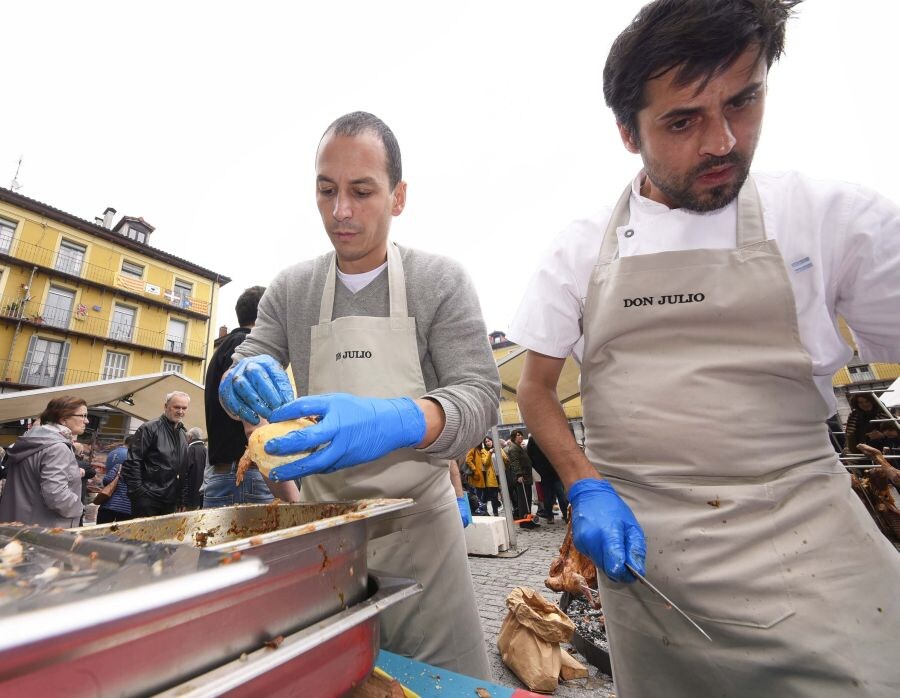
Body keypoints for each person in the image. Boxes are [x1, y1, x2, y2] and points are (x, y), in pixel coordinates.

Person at [509, 1, 900, 695]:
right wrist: (582, 481)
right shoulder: (579, 250)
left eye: (743, 102)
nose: (722, 141)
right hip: (650, 571)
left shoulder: (830, 221)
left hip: (811, 557)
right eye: (683, 121)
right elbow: (535, 389)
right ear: (629, 133)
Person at [219, 111, 499, 680]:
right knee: (339, 680)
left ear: (397, 197)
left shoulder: (438, 281)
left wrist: (394, 420)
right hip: (329, 535)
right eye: (327, 191)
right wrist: (239, 379)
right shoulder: (291, 288)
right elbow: (252, 358)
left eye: (361, 191)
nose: (340, 211)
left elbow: (480, 395)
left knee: (436, 682)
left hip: (423, 533)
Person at [203, 286, 278, 509]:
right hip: (247, 476)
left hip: (223, 476)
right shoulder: (248, 348)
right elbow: (254, 426)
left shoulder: (224, 349)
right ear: (267, 312)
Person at [0, 396, 86, 528]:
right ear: (63, 419)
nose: (87, 420)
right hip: (45, 528)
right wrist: (79, 507)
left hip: (18, 522)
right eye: (83, 415)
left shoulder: (31, 440)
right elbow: (55, 494)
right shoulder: (57, 448)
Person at [121, 391, 190, 517]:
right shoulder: (149, 428)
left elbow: (183, 469)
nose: (180, 411)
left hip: (170, 502)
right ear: (166, 406)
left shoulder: (182, 434)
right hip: (148, 500)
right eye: (176, 407)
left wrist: (181, 499)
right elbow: (133, 462)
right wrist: (140, 494)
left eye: (184, 408)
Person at [527, 434, 568, 524]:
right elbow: (530, 457)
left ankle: (561, 515)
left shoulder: (548, 437)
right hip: (547, 474)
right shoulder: (534, 440)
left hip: (552, 473)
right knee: (551, 496)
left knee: (557, 495)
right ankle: (554, 516)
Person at [97, 436, 134, 524]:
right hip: (126, 504)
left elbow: (107, 478)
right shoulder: (129, 455)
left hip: (110, 496)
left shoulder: (113, 452)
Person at [506, 429, 537, 529]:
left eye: (521, 435)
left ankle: (528, 520)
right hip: (522, 478)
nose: (520, 436)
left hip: (526, 476)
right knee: (524, 501)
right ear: (514, 437)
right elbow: (514, 463)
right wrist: (519, 475)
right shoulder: (513, 448)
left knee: (527, 500)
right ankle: (524, 522)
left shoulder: (519, 447)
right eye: (518, 435)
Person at [466, 436, 502, 516]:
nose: (481, 443)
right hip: (477, 475)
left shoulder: (480, 450)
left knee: (484, 494)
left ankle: (485, 511)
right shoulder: (473, 449)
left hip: (483, 475)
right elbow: (468, 459)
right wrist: (474, 469)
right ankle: (482, 511)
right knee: (479, 495)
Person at [182, 428, 207, 510]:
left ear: (190, 437)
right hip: (204, 497)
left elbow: (184, 474)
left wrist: (183, 500)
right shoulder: (206, 450)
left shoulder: (190, 450)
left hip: (191, 499)